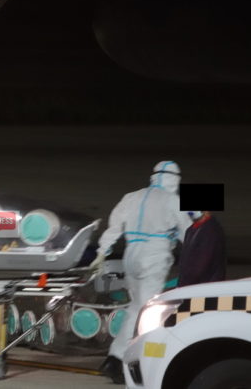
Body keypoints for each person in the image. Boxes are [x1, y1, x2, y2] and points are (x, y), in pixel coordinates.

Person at [90, 160, 192, 384]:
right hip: (154, 256)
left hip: (131, 256)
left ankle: (115, 359)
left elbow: (114, 227)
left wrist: (102, 252)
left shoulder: (132, 197)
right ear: (173, 179)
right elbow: (188, 233)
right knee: (148, 311)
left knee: (135, 307)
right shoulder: (172, 200)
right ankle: (133, 361)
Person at [178, 211, 226, 287]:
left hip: (205, 287)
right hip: (190, 286)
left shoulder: (211, 230)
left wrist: (184, 284)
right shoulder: (191, 230)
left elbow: (200, 264)